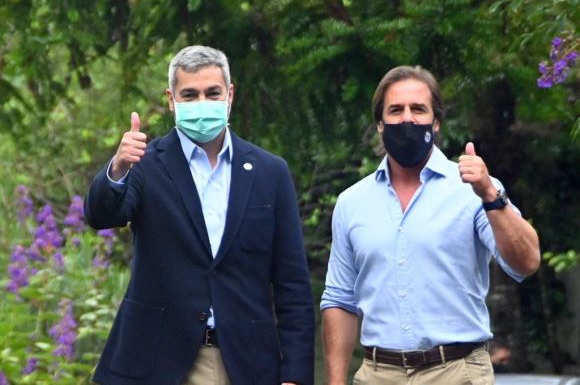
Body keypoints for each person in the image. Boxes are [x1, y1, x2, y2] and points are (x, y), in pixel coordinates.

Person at [84, 46, 315, 385]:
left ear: (230, 94)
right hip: (159, 364)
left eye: (212, 93)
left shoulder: (270, 171)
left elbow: (292, 283)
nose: (202, 103)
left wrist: (295, 373)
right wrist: (118, 167)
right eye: (189, 95)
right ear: (171, 99)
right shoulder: (145, 164)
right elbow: (101, 215)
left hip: (246, 363)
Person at [321, 65, 540, 385]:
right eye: (395, 110)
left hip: (457, 370)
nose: (407, 119)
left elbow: (527, 261)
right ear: (380, 123)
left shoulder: (475, 189)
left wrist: (491, 196)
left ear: (436, 122)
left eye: (418, 109)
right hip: (379, 374)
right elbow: (340, 300)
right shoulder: (351, 203)